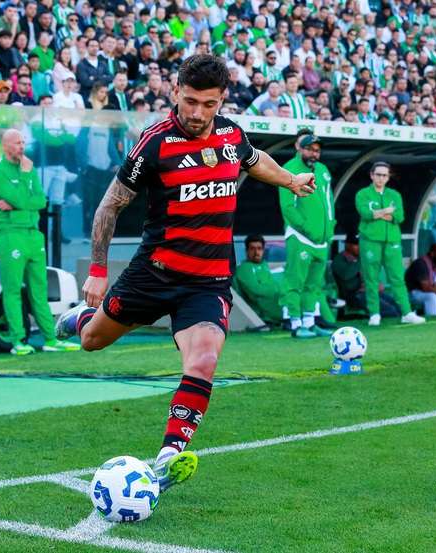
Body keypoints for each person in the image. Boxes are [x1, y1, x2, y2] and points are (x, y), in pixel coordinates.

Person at [54, 55, 315, 492]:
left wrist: (289, 180)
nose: (196, 113)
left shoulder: (232, 135)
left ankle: (169, 455)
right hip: (153, 274)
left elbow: (255, 160)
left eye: (207, 104)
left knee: (206, 358)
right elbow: (110, 204)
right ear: (175, 92)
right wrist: (98, 270)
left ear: (222, 101)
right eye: (189, 101)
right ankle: (82, 317)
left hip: (207, 281)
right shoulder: (155, 142)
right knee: (91, 342)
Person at [0, 129, 80, 355]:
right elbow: (20, 197)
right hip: (10, 235)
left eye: (23, 142)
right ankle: (18, 341)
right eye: (17, 143)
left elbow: (40, 200)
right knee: (12, 289)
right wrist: (24, 185)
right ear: (6, 146)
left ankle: (50, 339)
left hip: (32, 233)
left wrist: (19, 203)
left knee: (39, 288)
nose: (22, 146)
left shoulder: (27, 170)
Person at [355, 162, 425, 326]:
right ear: (372, 175)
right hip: (370, 241)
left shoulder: (394, 195)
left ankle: (406, 313)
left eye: (384, 175)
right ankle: (374, 314)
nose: (381, 178)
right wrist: (386, 212)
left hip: (392, 241)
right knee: (371, 279)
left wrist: (377, 214)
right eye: (378, 174)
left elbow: (400, 217)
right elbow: (365, 214)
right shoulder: (363, 194)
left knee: (397, 278)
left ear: (388, 177)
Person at [278, 133, 334, 338]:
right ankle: (295, 324)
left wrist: (330, 228)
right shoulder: (289, 169)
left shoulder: (323, 170)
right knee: (294, 282)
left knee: (314, 284)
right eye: (309, 149)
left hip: (322, 239)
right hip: (300, 237)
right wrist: (307, 228)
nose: (313, 153)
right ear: (299, 149)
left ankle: (310, 323)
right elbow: (288, 207)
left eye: (317, 150)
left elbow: (329, 202)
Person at [331, 232, 401, 318]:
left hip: (369, 291)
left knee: (399, 307)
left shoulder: (360, 258)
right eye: (357, 245)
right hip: (354, 295)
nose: (361, 247)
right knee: (391, 311)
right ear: (347, 245)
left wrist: (377, 284)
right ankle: (370, 317)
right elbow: (346, 275)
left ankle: (371, 315)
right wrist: (360, 260)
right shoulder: (339, 259)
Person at [234, 234, 282, 326]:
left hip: (275, 308)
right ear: (246, 251)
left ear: (263, 250)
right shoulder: (244, 269)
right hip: (262, 314)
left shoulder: (264, 265)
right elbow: (256, 291)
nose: (256, 252)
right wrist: (278, 288)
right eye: (252, 248)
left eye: (259, 248)